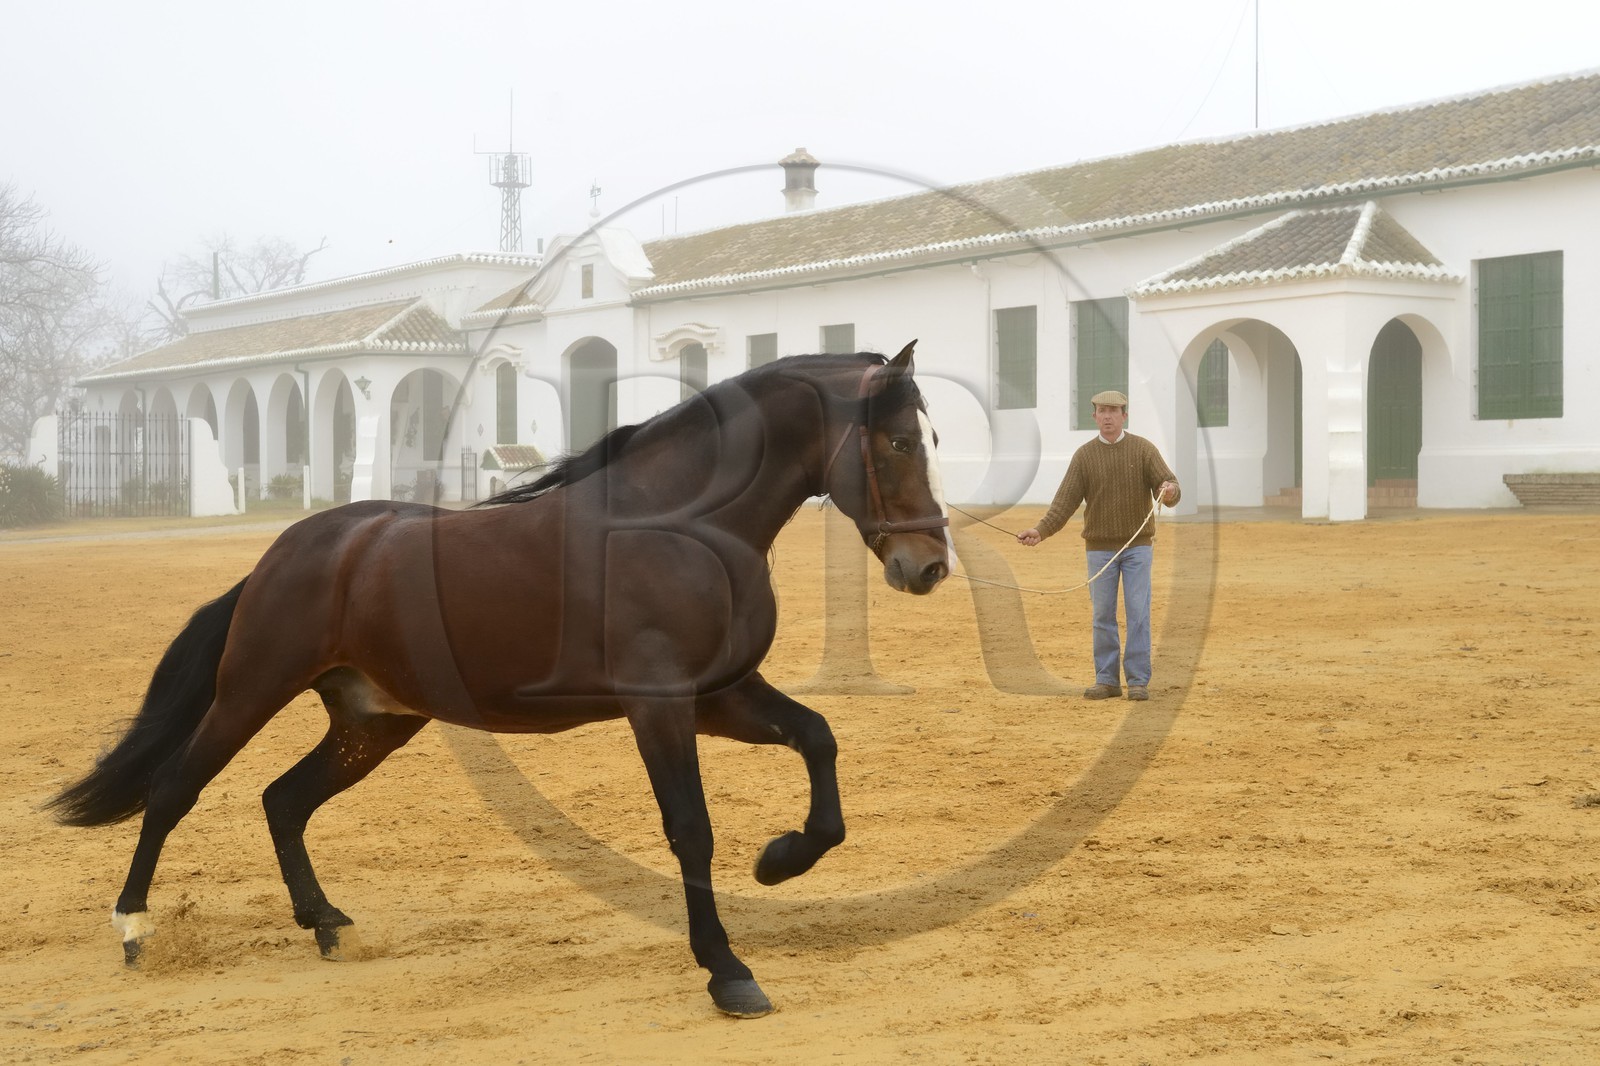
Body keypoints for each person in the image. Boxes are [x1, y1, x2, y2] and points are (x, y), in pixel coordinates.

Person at [1017, 390, 1179, 701]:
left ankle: (1137, 681)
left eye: (1113, 411)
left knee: (1138, 613)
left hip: (1137, 547)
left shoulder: (1144, 450)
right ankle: (1106, 680)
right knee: (1102, 615)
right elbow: (1064, 502)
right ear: (1094, 417)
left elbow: (1170, 484)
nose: (1107, 416)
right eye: (1102, 411)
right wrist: (1040, 531)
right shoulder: (1084, 456)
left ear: (1124, 415)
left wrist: (1169, 490)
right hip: (1099, 549)